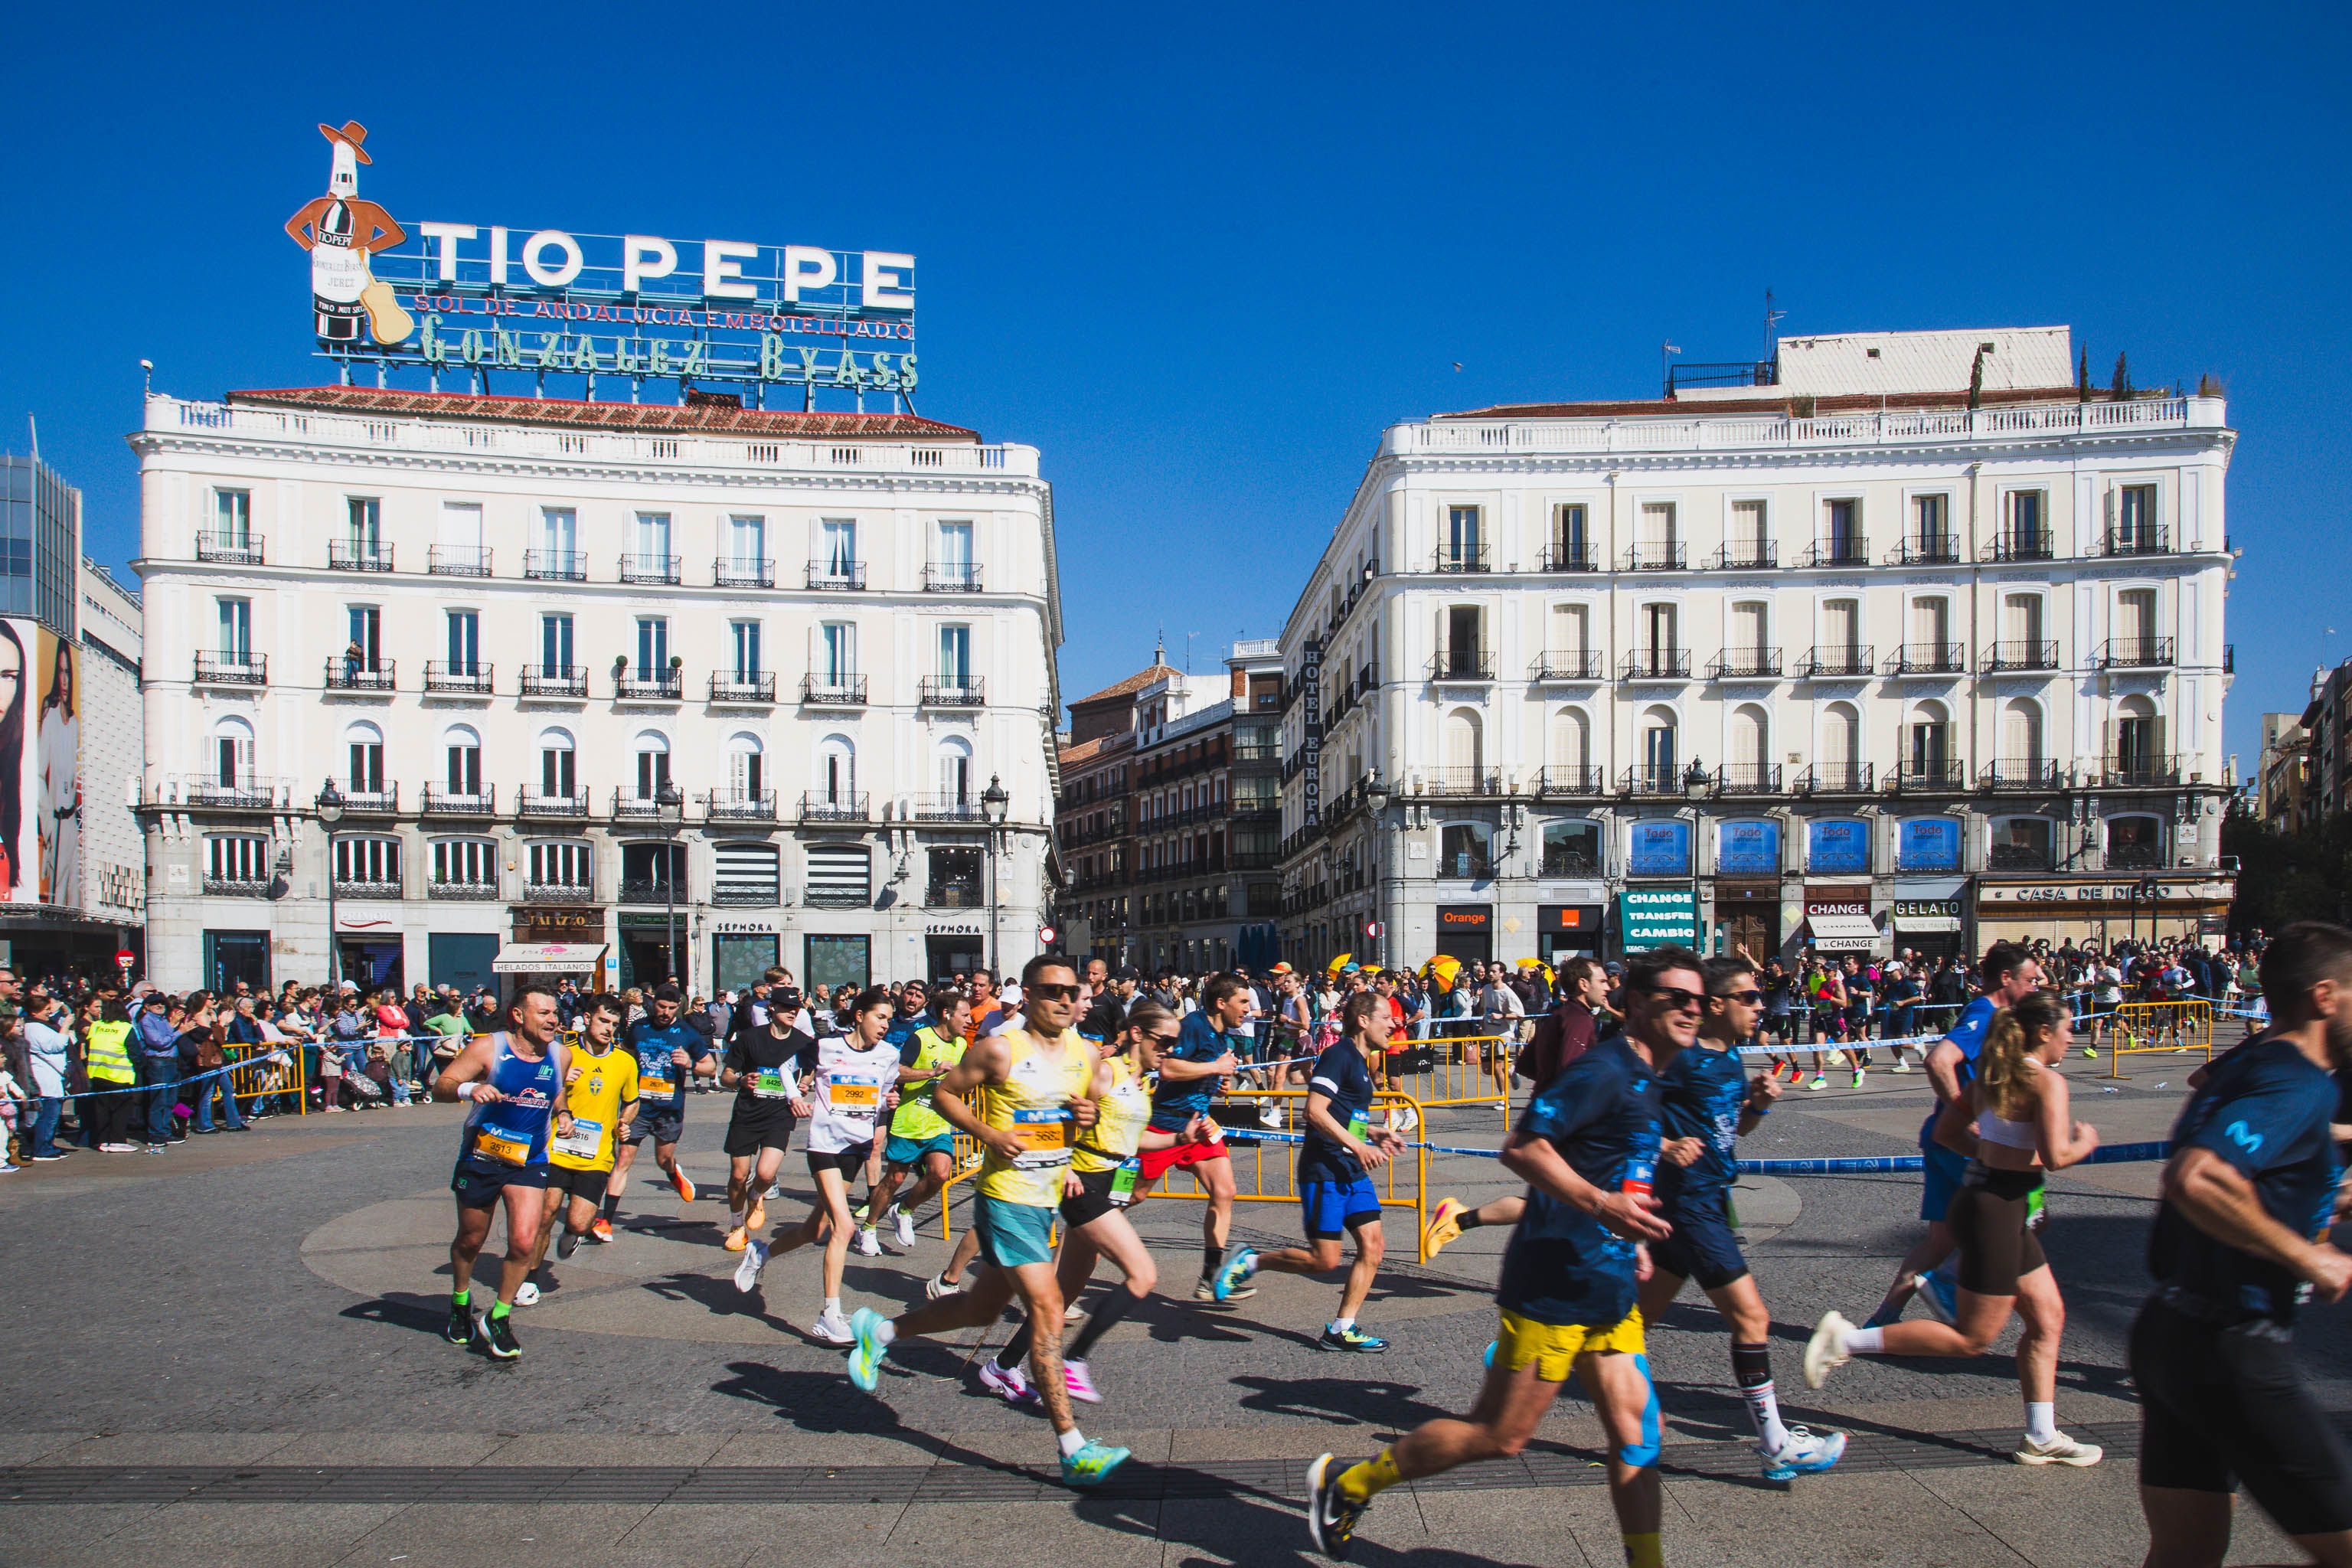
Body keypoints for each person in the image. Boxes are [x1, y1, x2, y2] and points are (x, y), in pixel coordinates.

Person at [1305, 946, 1699, 1566]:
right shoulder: (1604, 1069)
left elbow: (1622, 1163)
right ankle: (1351, 1485)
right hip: (1555, 1283)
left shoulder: (1650, 1078)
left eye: (1699, 1000)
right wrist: (1601, 1205)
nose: (1692, 1011)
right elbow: (1522, 1149)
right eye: (1679, 998)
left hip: (1610, 1280)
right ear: (1640, 1003)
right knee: (1500, 1435)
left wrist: (1634, 1233)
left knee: (1637, 1436)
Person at [842, 955, 1131, 1488]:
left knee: (979, 1310)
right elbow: (947, 1094)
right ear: (1029, 994)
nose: (1066, 1000)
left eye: (1073, 991)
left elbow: (1080, 1116)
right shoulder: (999, 1049)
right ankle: (1072, 1447)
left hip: (1045, 1198)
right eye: (1052, 991)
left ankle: (877, 1332)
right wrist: (991, 1135)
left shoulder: (1086, 1055)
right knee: (1047, 1309)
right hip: (1004, 1199)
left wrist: (1083, 1124)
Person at [2130, 921, 2352, 1567]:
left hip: (2171, 1332)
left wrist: (2330, 1196)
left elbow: (2265, 1180)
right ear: (2325, 996)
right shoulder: (2300, 1080)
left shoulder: (2248, 1061)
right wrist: (2309, 1256)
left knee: (2184, 1552)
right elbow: (2202, 1177)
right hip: (2233, 1349)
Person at [1805, 988, 2102, 1465]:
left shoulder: (1994, 1072)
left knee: (2047, 1320)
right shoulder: (2047, 1083)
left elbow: (1947, 1132)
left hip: (1988, 1200)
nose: (2073, 1037)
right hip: (1998, 1211)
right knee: (1972, 1338)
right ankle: (1847, 1340)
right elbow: (2056, 1156)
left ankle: (2041, 1435)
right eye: (2069, 1028)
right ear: (2044, 1032)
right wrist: (2084, 1141)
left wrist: (1991, 1159)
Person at [1641, 955, 1844, 1481]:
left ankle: (1535, 1353)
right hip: (1688, 1207)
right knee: (1752, 1320)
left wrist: (1757, 1106)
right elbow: (1623, 1117)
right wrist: (1665, 1144)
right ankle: (1776, 1442)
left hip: (1707, 1202)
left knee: (1633, 1323)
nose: (1760, 1005)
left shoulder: (1730, 1057)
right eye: (1748, 997)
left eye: (1758, 996)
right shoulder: (1679, 1060)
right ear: (1715, 1004)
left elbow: (1733, 1134)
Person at [977, 1000, 1196, 1404]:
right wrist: (1065, 1167)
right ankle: (1074, 1360)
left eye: (1174, 1045)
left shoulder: (1140, 1079)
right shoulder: (1104, 1071)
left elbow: (1133, 1139)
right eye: (1164, 1041)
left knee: (1058, 1299)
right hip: (1083, 1184)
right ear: (1137, 1034)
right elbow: (1052, 1113)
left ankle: (1003, 1365)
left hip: (1110, 1181)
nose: (1170, 1051)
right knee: (1142, 1275)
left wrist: (1181, 1139)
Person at [1210, 989, 1408, 1351]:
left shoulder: (1362, 1063)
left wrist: (1375, 1133)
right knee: (1324, 1260)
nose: (1393, 1024)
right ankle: (1251, 1261)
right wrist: (1358, 1145)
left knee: (1374, 1246)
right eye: (1385, 1018)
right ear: (1363, 1021)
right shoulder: (1339, 1055)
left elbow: (1346, 1115)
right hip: (1325, 1169)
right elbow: (1313, 1112)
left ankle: (1341, 1328)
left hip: (1351, 1170)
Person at [1864, 941, 2044, 1328]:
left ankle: (1883, 1318)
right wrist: (1965, 1111)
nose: (2036, 986)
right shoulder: (1987, 1014)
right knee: (2020, 1218)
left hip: (1943, 1138)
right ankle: (1946, 1284)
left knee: (1941, 1240)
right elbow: (1939, 1059)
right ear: (2007, 977)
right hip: (1965, 1144)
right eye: (2030, 980)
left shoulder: (1993, 1013)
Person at [731, 985, 900, 1344]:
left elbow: (884, 1096)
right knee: (843, 1227)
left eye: (889, 1019)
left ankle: (761, 1253)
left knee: (815, 1229)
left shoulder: (888, 1055)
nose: (886, 1025)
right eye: (879, 1017)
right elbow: (784, 1065)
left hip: (855, 1147)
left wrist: (889, 1103)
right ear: (859, 1015)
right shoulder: (825, 1047)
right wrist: (794, 1096)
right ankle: (829, 1314)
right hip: (824, 1147)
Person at [1425, 959, 1610, 1256]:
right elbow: (1572, 1074)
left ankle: (1457, 1220)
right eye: (1601, 981)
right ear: (1583, 984)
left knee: (1552, 1203)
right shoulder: (1579, 1020)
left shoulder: (1558, 1016)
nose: (1608, 986)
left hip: (1548, 1119)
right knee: (1577, 1203)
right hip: (1563, 1126)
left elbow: (1526, 1065)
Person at [432, 983, 571, 1360]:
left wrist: (563, 1112)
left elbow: (556, 1090)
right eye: (543, 1013)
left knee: (524, 1243)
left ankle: (499, 1316)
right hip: (482, 1156)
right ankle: (461, 1300)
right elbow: (440, 1086)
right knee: (471, 1240)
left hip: (530, 1160)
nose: (552, 1020)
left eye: (555, 1013)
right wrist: (469, 1090)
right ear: (518, 1015)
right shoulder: (488, 1048)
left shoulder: (561, 1056)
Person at [1133, 972, 1254, 1301]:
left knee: (1225, 1191)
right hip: (1166, 1124)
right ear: (1220, 1002)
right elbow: (1169, 1069)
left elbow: (1204, 1070)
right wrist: (1214, 1070)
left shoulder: (1222, 1037)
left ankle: (1211, 1277)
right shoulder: (1193, 1026)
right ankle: (1084, 1229)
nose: (1248, 1008)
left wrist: (1217, 1082)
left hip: (1200, 1126)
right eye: (1242, 1002)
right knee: (1131, 1197)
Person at [519, 993, 637, 1304]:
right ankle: (529, 1279)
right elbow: (531, 1088)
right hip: (555, 1149)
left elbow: (633, 1101)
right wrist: (557, 1083)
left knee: (579, 1222)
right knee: (545, 1215)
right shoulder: (561, 1054)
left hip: (595, 1157)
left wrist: (624, 1121)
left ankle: (573, 1234)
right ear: (587, 1018)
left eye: (614, 1023)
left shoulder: (625, 1061)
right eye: (603, 1021)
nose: (609, 1029)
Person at [861, 987, 971, 1253]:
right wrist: (932, 1071)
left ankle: (905, 1209)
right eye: (964, 1015)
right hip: (909, 1119)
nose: (969, 1021)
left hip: (938, 1122)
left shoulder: (962, 1045)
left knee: (940, 1173)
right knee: (894, 1179)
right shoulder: (921, 1038)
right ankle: (869, 1228)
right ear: (946, 1014)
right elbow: (897, 1072)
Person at [606, 984, 715, 1232]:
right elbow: (625, 1055)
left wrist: (690, 1064)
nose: (666, 1012)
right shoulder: (639, 1028)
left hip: (669, 1109)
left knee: (663, 1159)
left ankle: (672, 1172)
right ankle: (606, 1222)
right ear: (653, 1003)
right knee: (623, 1160)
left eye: (671, 1008)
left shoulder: (686, 1032)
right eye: (661, 1006)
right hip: (639, 1107)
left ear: (679, 1007)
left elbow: (710, 1067)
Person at [719, 982, 815, 1252]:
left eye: (796, 1008)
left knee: (765, 1172)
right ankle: (737, 1225)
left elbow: (809, 1071)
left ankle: (756, 1195)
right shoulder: (750, 1038)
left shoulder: (803, 1042)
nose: (792, 1012)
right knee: (739, 1175)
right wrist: (740, 1080)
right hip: (747, 1113)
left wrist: (804, 1083)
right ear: (772, 1008)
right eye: (787, 1007)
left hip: (779, 1114)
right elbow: (725, 1076)